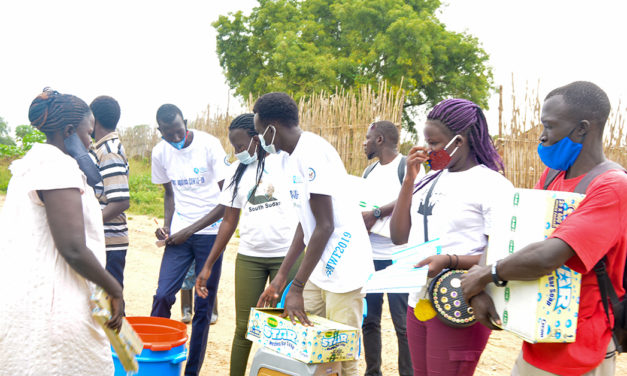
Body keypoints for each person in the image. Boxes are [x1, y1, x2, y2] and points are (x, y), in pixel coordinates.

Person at [462, 81, 627, 376]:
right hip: (536, 340)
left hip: (581, 353)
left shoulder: (613, 186)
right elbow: (508, 235)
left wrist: (486, 275)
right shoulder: (552, 177)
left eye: (549, 126)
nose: (542, 136)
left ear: (581, 129)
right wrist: (479, 289)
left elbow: (547, 256)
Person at [0, 88, 123, 374]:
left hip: (29, 300)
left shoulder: (29, 165)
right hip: (57, 307)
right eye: (87, 133)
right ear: (68, 130)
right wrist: (114, 288)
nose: (90, 142)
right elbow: (72, 248)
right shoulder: (57, 167)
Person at [389, 98, 513, 376]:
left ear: (460, 140)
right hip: (417, 299)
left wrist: (449, 260)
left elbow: (500, 255)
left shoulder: (491, 185)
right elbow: (398, 236)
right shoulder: (428, 180)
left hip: (458, 303)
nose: (427, 149)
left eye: (433, 143)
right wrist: (409, 180)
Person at [254, 92, 374, 376]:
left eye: (260, 133)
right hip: (318, 267)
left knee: (342, 354)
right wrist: (281, 279)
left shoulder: (313, 152)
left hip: (344, 265)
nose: (260, 139)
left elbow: (325, 225)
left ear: (273, 127)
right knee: (306, 345)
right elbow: (304, 224)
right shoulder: (286, 159)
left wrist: (295, 287)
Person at [195, 113, 300, 376]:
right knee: (244, 328)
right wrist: (208, 265)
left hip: (287, 257)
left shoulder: (285, 161)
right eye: (234, 147)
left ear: (257, 139)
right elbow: (229, 221)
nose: (237, 152)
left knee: (285, 330)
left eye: (240, 146)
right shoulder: (235, 171)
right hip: (250, 257)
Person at [150, 103, 228, 376]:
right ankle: (154, 361)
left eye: (178, 131)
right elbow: (169, 194)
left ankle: (191, 371)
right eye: (167, 133)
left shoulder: (209, 145)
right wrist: (169, 227)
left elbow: (225, 202)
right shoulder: (160, 152)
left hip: (210, 234)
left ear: (186, 122)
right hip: (180, 236)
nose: (175, 138)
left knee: (203, 309)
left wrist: (190, 229)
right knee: (162, 296)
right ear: (159, 130)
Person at [361, 120, 417, 376]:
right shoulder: (368, 172)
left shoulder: (408, 167)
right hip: (370, 255)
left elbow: (413, 195)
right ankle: (373, 372)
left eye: (367, 137)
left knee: (403, 325)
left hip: (399, 257)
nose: (364, 142)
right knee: (369, 320)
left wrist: (376, 212)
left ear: (380, 140)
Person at [90, 95, 130, 289]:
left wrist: (88, 222)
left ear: (93, 119)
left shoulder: (109, 151)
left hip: (110, 241)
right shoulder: (100, 148)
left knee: (110, 302)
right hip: (104, 239)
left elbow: (121, 201)